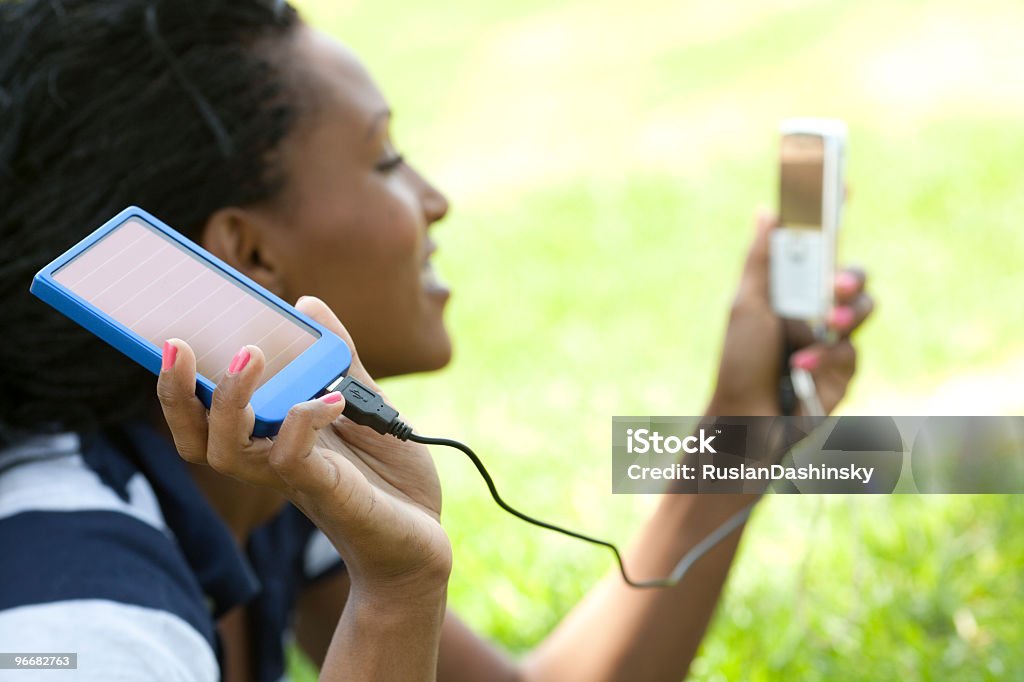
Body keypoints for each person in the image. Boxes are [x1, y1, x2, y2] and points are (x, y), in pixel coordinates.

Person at [0, 1, 874, 680]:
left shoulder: (256, 485)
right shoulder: (79, 603)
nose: (433, 198)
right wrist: (394, 596)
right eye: (384, 159)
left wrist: (739, 428)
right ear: (246, 253)